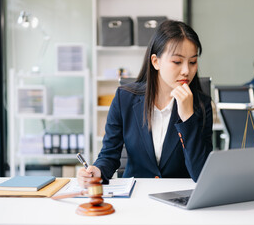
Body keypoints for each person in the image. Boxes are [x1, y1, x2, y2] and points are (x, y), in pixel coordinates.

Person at [77, 20, 213, 187]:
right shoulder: (124, 98)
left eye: (192, 62)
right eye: (177, 62)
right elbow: (109, 155)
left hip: (179, 197)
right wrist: (96, 171)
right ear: (155, 61)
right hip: (136, 194)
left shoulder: (201, 104)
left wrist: (187, 119)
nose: (186, 70)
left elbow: (201, 174)